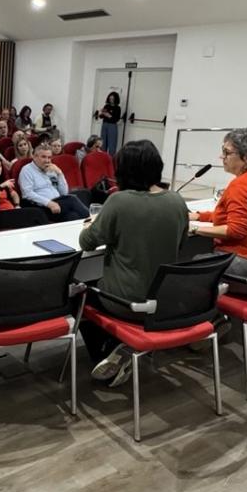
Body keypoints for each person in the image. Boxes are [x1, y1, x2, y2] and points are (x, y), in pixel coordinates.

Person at [78, 140, 189, 386]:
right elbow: (181, 244)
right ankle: (125, 344)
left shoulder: (120, 201)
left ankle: (110, 350)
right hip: (165, 299)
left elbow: (86, 242)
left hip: (128, 301)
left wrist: (91, 225)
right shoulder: (177, 202)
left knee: (78, 293)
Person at [189, 128, 247, 288]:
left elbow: (235, 230)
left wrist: (193, 229)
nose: (221, 157)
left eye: (226, 152)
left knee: (193, 263)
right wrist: (198, 216)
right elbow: (236, 215)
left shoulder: (242, 185)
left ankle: (201, 310)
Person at [19, 143, 89, 221]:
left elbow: (64, 193)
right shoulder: (26, 170)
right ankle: (93, 220)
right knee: (72, 199)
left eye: (49, 157)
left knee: (73, 216)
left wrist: (60, 174)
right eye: (43, 157)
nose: (47, 161)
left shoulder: (51, 169)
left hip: (58, 204)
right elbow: (27, 194)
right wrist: (49, 203)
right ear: (35, 157)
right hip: (42, 207)